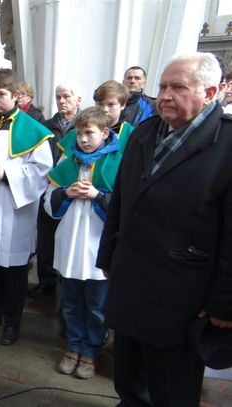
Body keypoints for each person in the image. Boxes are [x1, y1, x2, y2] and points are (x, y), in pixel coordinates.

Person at [96, 52, 232, 406]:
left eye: (178, 87)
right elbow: (122, 200)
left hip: (183, 297)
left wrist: (223, 303)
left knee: (172, 390)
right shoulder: (144, 133)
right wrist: (108, 255)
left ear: (210, 92)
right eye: (163, 87)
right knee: (128, 381)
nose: (166, 96)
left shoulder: (227, 144)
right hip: (132, 283)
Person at [0, 68, 53, 346]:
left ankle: (11, 323)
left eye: (1, 95)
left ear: (16, 95)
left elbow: (42, 170)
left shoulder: (34, 131)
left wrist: (6, 173)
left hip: (14, 207)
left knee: (14, 271)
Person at [44, 107, 124, 379]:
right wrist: (66, 192)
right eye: (79, 134)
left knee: (97, 306)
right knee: (71, 303)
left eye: (89, 133)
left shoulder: (118, 163)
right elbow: (48, 203)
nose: (83, 139)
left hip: (98, 248)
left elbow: (126, 206)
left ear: (105, 132)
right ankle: (74, 346)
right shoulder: (69, 162)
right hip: (71, 244)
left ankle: (90, 351)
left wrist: (97, 195)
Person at [30, 83, 82, 298]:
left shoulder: (85, 125)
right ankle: (47, 280)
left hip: (76, 191)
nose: (62, 101)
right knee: (46, 238)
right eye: (58, 97)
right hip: (49, 187)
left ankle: (67, 286)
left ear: (78, 100)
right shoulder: (47, 126)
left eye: (67, 96)